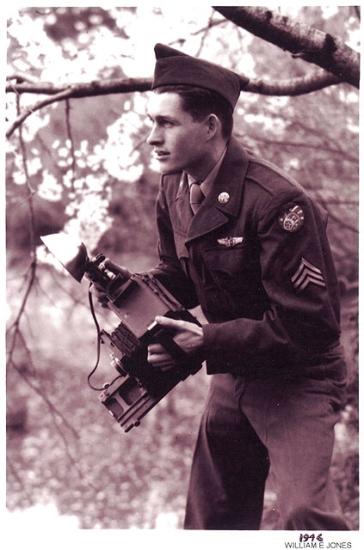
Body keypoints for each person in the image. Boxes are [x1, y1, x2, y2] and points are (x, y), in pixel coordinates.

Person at [97, 43, 349, 530]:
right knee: (211, 520)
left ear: (210, 126)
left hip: (299, 378)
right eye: (152, 123)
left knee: (308, 518)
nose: (152, 138)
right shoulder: (174, 187)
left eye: (166, 123)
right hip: (235, 372)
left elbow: (308, 327)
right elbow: (180, 275)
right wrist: (123, 287)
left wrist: (204, 343)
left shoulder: (277, 202)